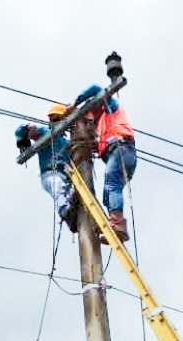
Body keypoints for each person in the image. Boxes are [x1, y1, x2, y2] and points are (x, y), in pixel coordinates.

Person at [75, 82, 136, 241]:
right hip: (120, 153)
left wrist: (75, 103)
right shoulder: (101, 124)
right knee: (107, 194)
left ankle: (117, 222)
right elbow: (98, 145)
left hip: (122, 148)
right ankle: (116, 226)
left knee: (111, 184)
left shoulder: (110, 108)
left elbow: (95, 88)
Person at [15, 103, 79, 233]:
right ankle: (64, 211)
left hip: (67, 176)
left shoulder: (68, 143)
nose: (53, 121)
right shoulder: (46, 132)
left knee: (75, 194)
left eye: (57, 118)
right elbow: (19, 131)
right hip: (51, 174)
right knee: (58, 188)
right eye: (52, 118)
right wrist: (27, 130)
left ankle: (74, 220)